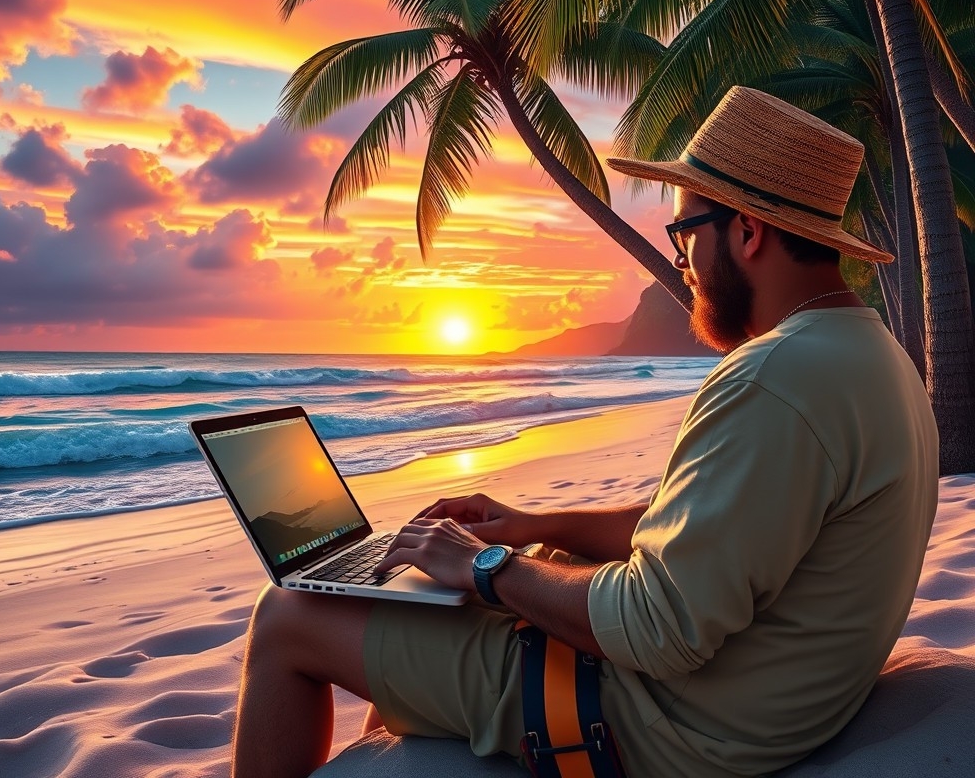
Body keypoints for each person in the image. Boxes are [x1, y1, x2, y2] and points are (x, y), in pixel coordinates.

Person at [231, 86, 938, 778]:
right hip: (756, 704)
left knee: (290, 612)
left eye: (685, 232)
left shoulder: (774, 378)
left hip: (674, 728)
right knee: (426, 592)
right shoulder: (870, 356)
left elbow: (658, 631)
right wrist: (536, 525)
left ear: (748, 233)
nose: (682, 261)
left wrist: (485, 568)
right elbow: (709, 528)